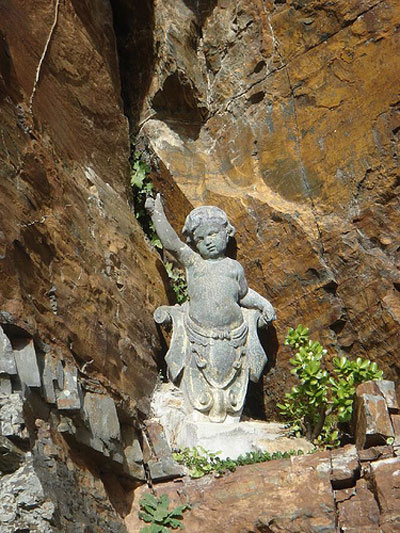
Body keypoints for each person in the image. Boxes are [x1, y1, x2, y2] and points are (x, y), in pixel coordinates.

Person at [146, 194, 276, 422]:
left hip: (233, 339)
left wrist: (264, 304)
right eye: (201, 238)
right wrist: (155, 213)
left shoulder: (234, 268)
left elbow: (244, 295)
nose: (208, 241)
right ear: (194, 243)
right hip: (199, 338)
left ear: (226, 233)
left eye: (213, 234)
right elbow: (171, 243)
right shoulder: (194, 263)